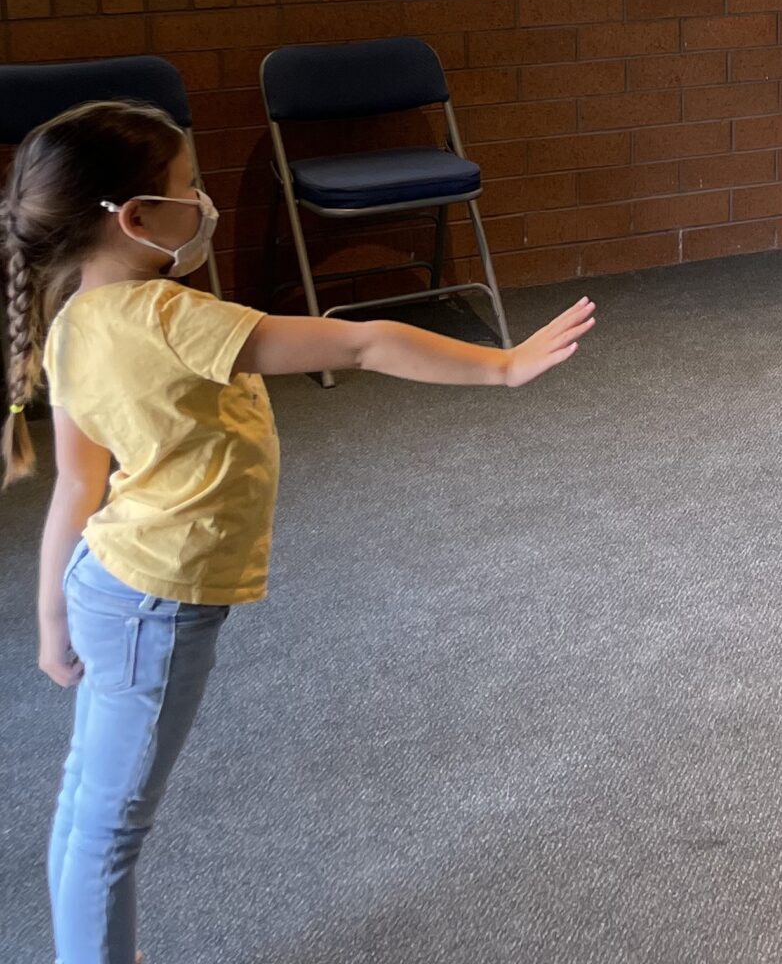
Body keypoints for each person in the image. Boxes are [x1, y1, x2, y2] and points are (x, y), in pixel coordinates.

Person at [3, 98, 596, 964]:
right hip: (156, 605)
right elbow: (358, 346)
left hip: (107, 584)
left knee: (90, 805)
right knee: (111, 823)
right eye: (188, 186)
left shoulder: (71, 322)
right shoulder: (171, 320)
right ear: (136, 218)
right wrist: (501, 367)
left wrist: (55, 619)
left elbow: (78, 489)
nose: (202, 201)